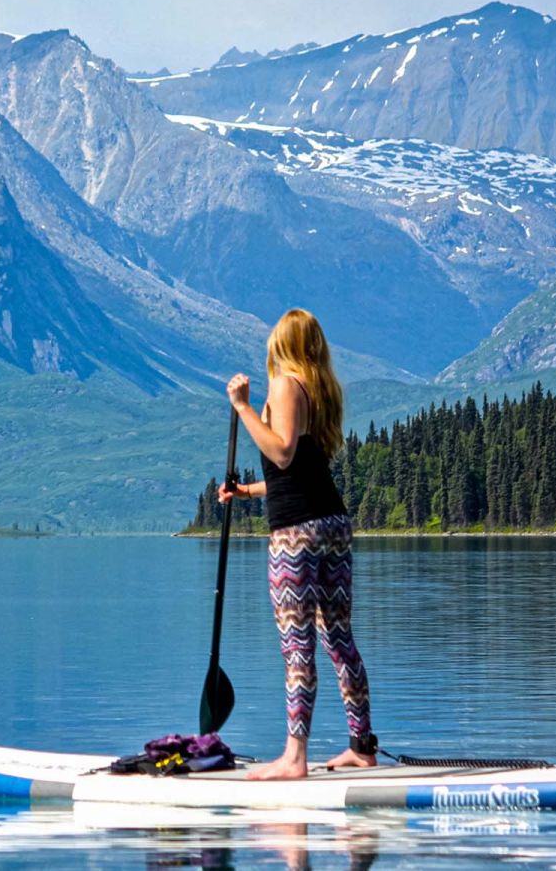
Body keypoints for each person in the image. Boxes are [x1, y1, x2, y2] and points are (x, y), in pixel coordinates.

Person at [219, 308, 377, 780]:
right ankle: (362, 746)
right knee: (339, 638)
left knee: (297, 645)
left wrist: (244, 407)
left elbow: (282, 451)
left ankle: (295, 757)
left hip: (296, 534)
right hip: (330, 522)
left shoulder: (286, 385)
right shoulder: (319, 389)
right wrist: (246, 491)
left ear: (281, 345)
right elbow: (296, 471)